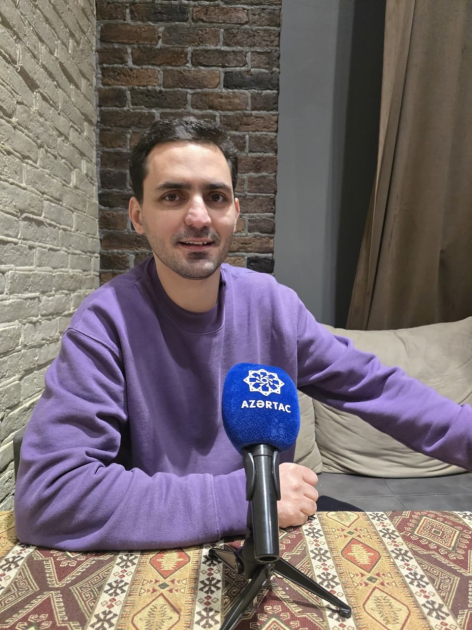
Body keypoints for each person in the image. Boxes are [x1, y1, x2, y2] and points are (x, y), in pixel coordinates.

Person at [14, 117, 472, 551]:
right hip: (165, 544)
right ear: (137, 215)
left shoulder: (272, 305)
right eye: (172, 196)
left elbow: (374, 387)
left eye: (215, 197)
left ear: (235, 212)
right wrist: (246, 497)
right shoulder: (104, 323)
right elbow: (49, 496)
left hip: (273, 536)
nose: (199, 217)